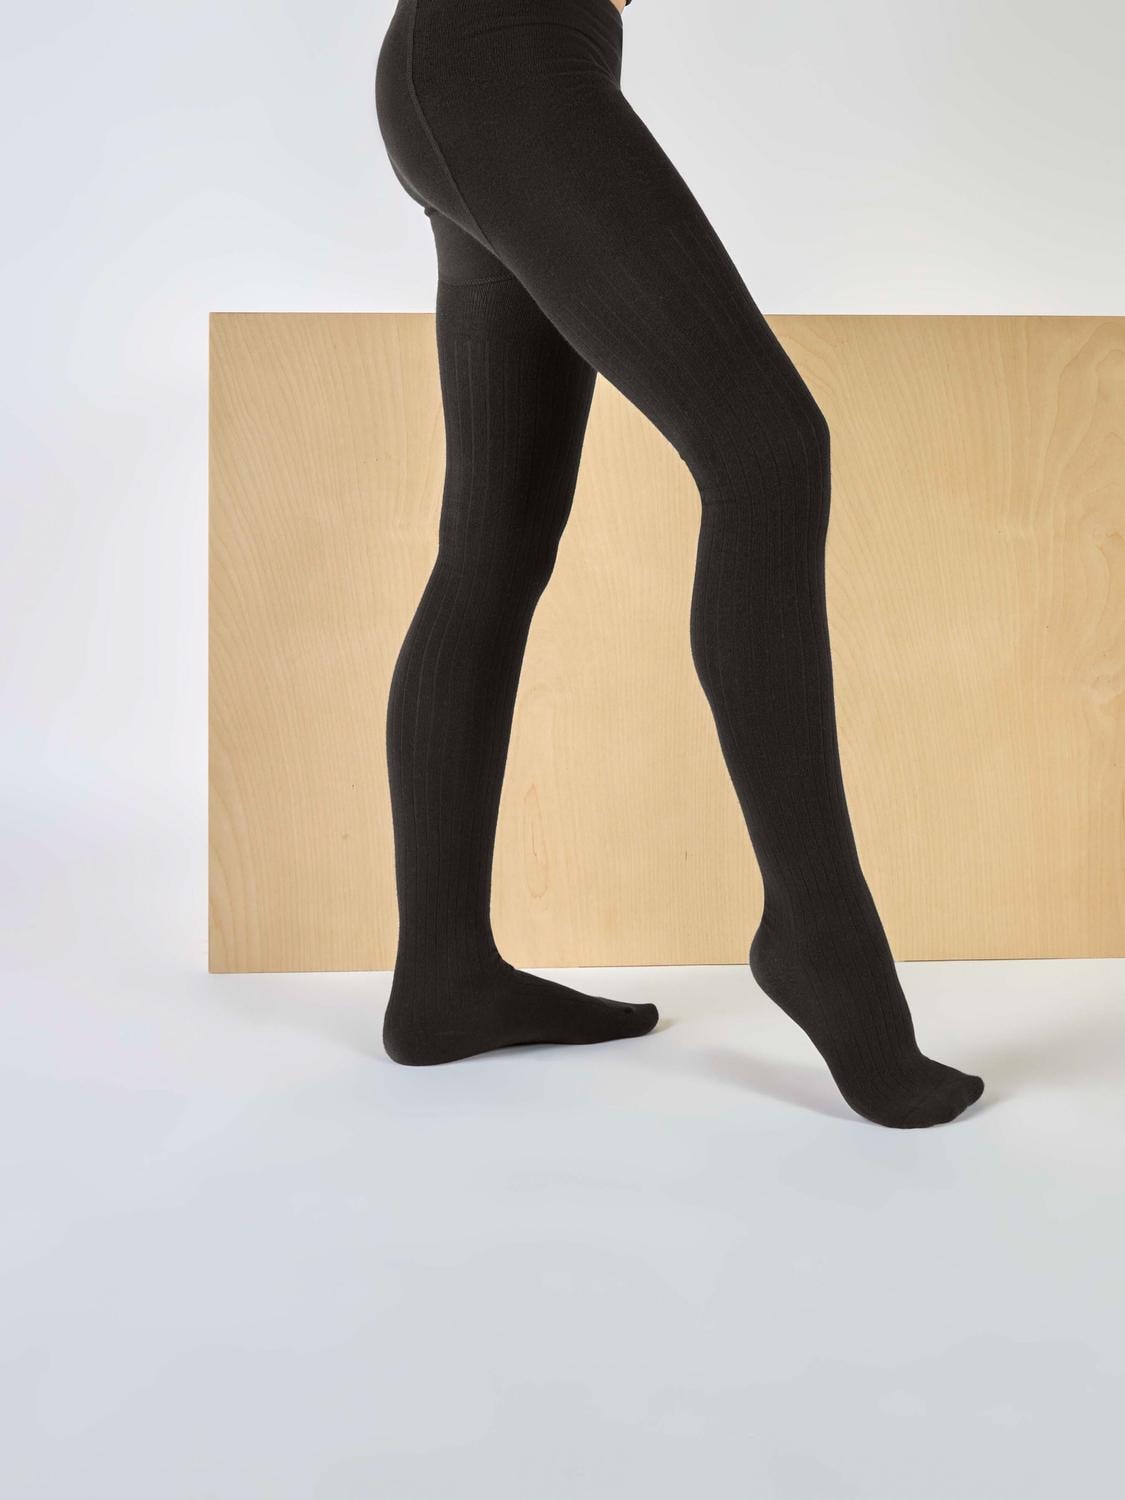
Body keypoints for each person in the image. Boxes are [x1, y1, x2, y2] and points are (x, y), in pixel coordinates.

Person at [373, 0, 984, 1128]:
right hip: (504, 59)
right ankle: (820, 942)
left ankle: (443, 978)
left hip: (479, 62)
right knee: (768, 452)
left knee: (496, 543)